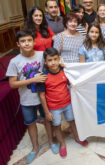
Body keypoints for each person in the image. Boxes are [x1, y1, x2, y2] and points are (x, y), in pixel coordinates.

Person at [6, 31, 59, 164]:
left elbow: (53, 65)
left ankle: (51, 141)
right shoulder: (14, 61)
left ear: (34, 42)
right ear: (18, 44)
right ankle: (35, 147)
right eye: (23, 41)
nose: (27, 43)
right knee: (30, 124)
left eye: (29, 40)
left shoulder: (42, 55)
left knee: (48, 120)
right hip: (26, 99)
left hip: (43, 97)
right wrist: (32, 80)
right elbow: (12, 83)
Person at [37, 48, 88, 158]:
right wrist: (46, 112)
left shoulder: (64, 70)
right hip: (54, 108)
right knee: (57, 126)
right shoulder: (43, 77)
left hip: (68, 104)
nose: (53, 62)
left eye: (55, 59)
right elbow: (41, 96)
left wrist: (72, 85)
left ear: (59, 59)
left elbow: (69, 82)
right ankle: (62, 144)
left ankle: (77, 138)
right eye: (50, 60)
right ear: (45, 62)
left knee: (72, 121)